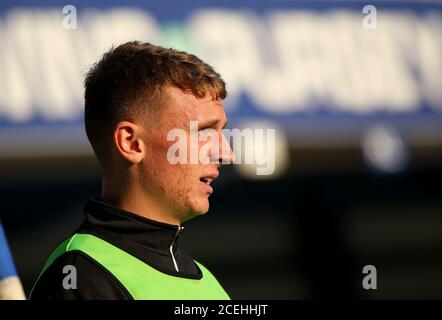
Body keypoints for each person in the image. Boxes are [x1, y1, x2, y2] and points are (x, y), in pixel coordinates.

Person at [30, 41, 234, 300]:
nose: (226, 153)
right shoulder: (81, 277)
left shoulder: (207, 280)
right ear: (131, 143)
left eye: (221, 132)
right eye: (204, 131)